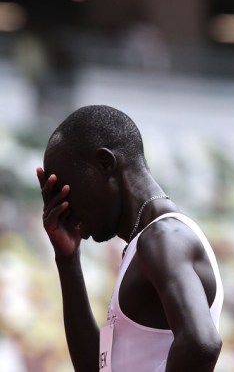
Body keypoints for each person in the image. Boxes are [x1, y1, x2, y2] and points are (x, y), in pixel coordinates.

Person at [36, 105, 223, 371]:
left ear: (105, 164)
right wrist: (67, 259)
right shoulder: (145, 242)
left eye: (66, 189)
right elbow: (97, 369)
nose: (63, 205)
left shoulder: (163, 238)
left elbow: (201, 344)